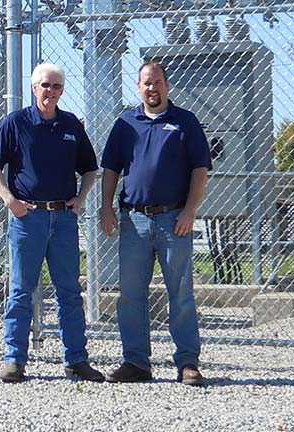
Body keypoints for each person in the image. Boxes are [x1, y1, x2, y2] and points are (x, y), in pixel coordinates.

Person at [0, 62, 104, 384]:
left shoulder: (70, 126)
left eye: (56, 87)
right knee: (21, 292)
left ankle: (76, 360)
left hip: (63, 220)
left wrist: (79, 200)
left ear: (62, 91)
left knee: (69, 292)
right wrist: (9, 200)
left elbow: (91, 169)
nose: (50, 92)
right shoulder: (17, 123)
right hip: (29, 220)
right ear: (34, 88)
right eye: (44, 86)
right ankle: (15, 359)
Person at [99, 60, 211, 387]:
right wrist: (106, 208)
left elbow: (200, 169)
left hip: (173, 219)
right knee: (131, 295)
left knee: (180, 293)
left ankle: (187, 362)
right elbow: (110, 170)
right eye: (147, 83)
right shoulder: (125, 124)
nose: (153, 88)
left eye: (158, 82)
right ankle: (136, 362)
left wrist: (190, 210)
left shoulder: (185, 122)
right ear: (139, 87)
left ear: (167, 85)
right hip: (133, 220)